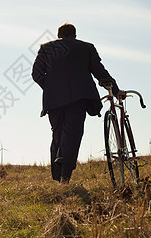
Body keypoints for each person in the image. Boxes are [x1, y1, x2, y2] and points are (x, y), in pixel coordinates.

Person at [32, 23, 123, 183]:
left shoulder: (47, 48)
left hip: (54, 101)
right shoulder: (86, 48)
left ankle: (58, 175)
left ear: (59, 35)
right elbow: (99, 71)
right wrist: (115, 90)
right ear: (75, 35)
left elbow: (36, 73)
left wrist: (52, 87)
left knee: (58, 134)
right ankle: (64, 177)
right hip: (79, 98)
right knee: (72, 135)